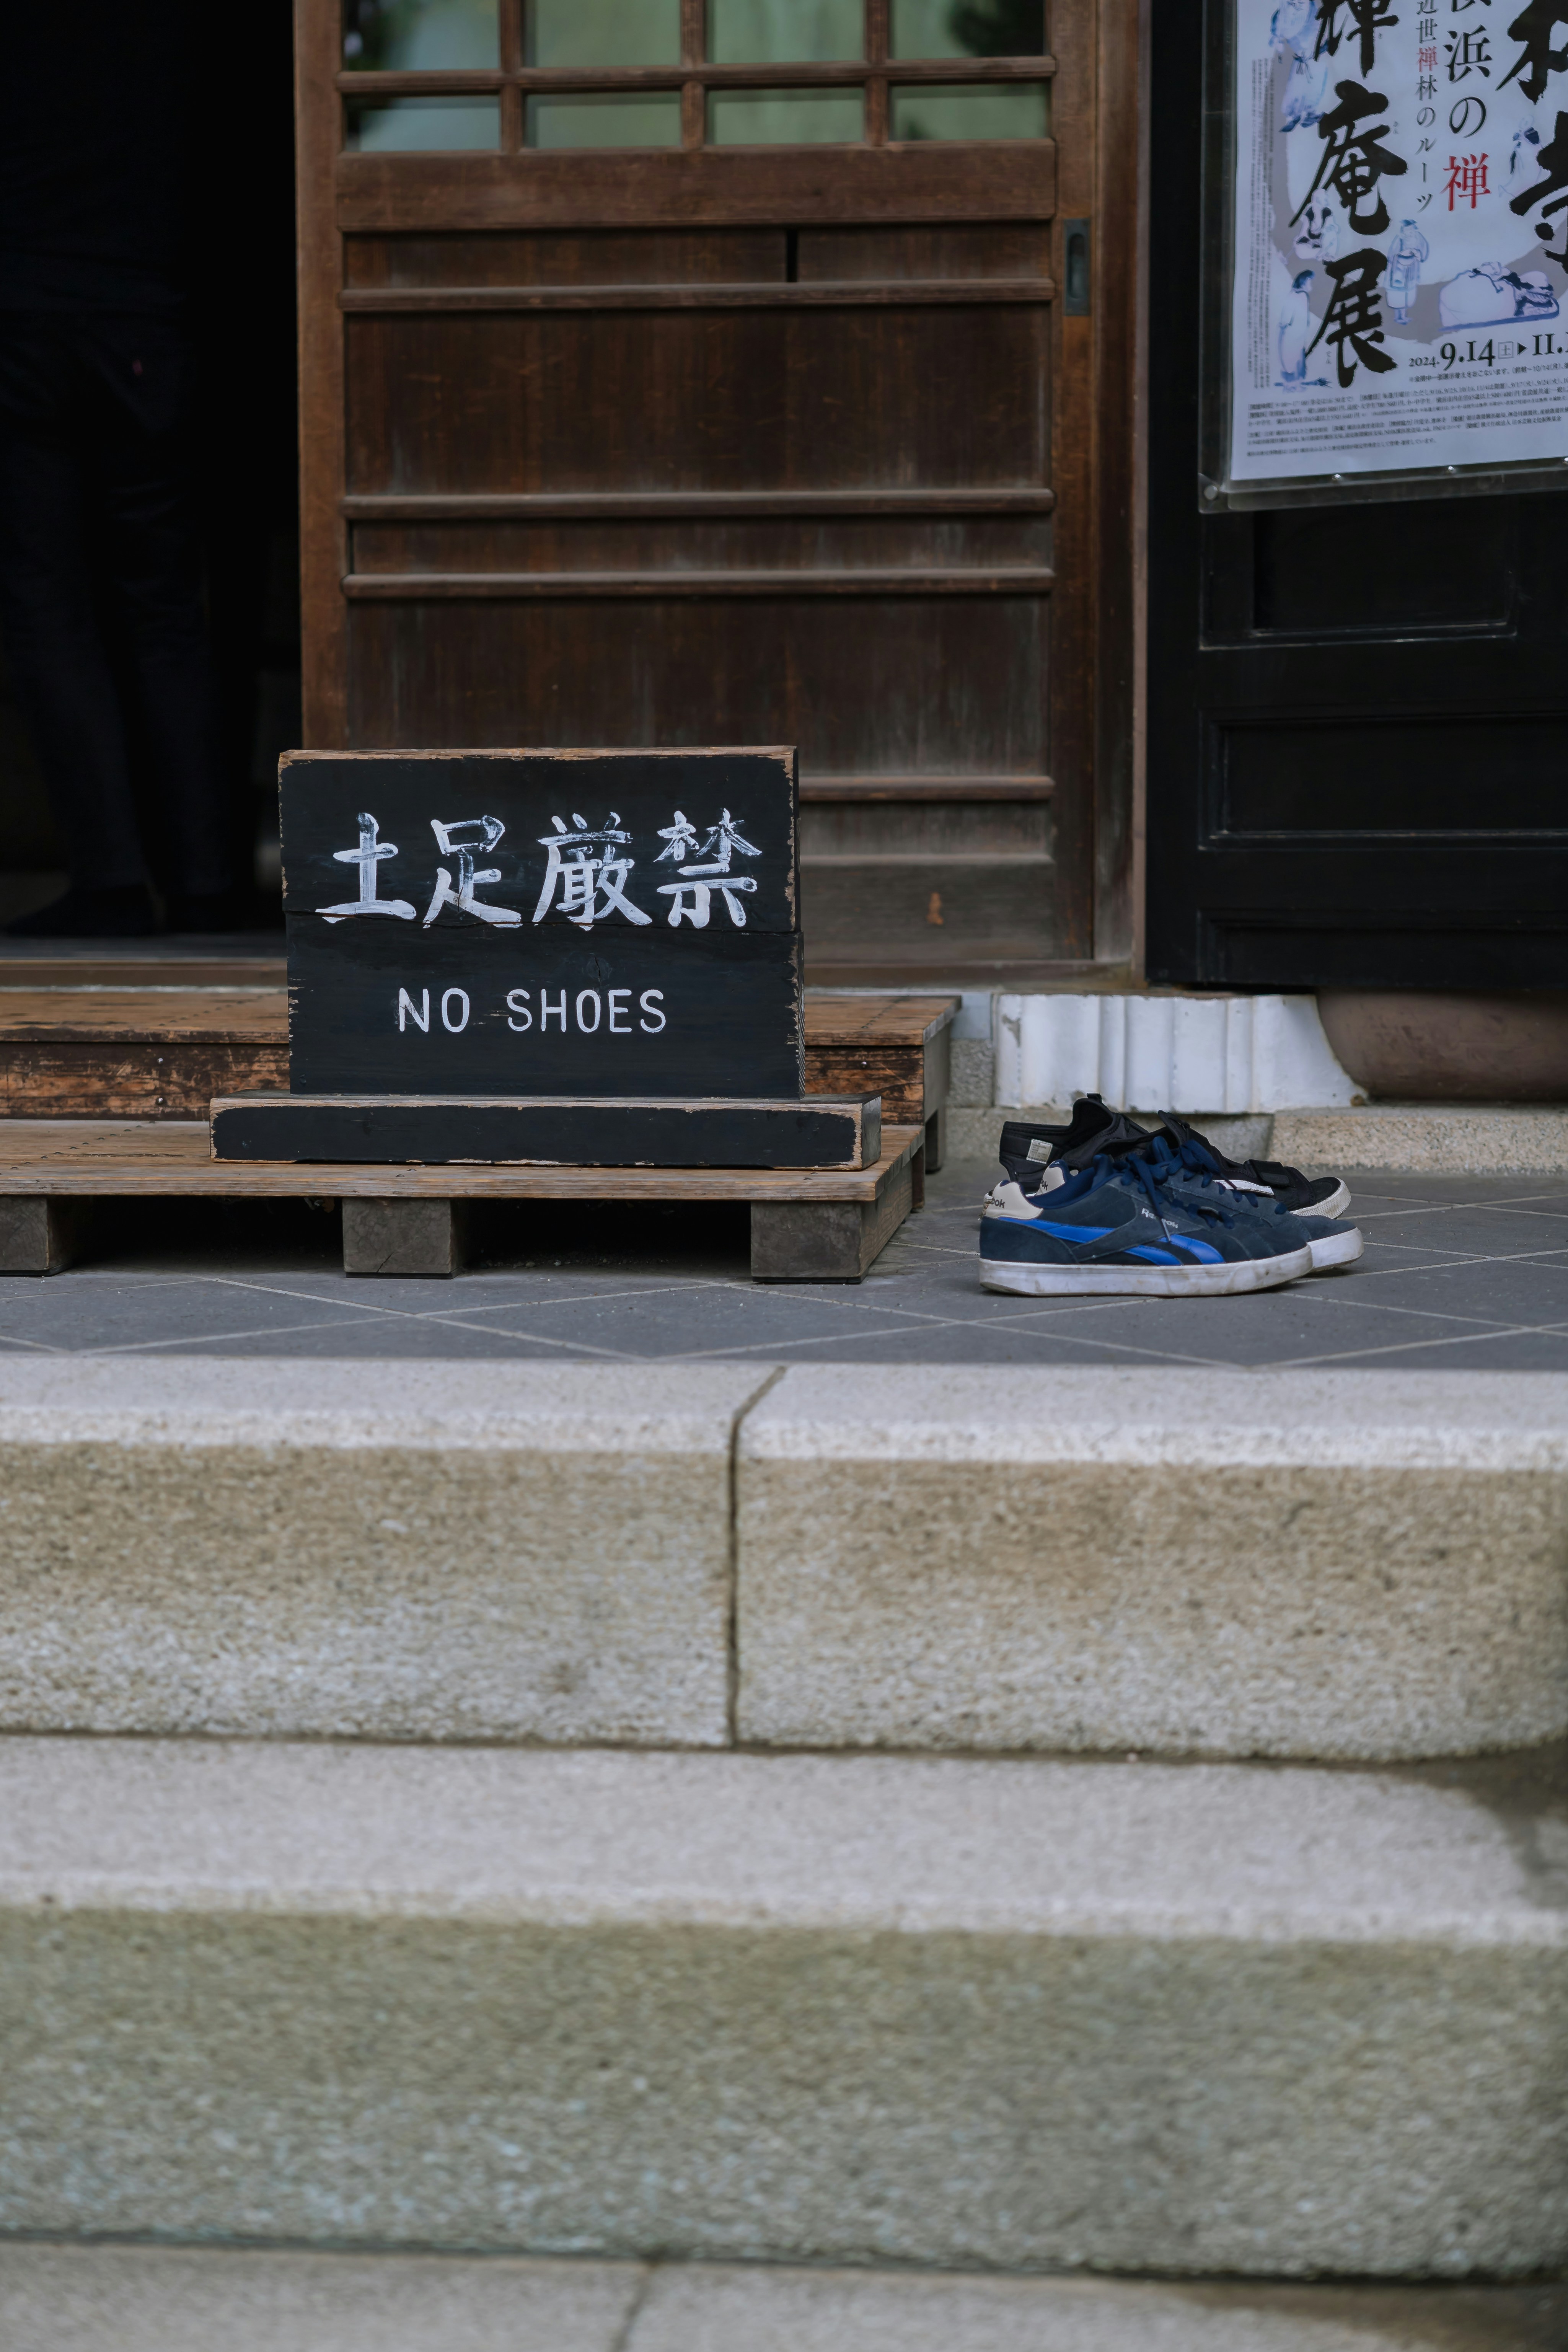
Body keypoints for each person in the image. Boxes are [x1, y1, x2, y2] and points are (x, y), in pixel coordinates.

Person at [0, 5, 237, 936]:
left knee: (48, 606)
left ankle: (108, 877)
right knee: (167, 607)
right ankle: (207, 881)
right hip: (149, 315)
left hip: (23, 312)